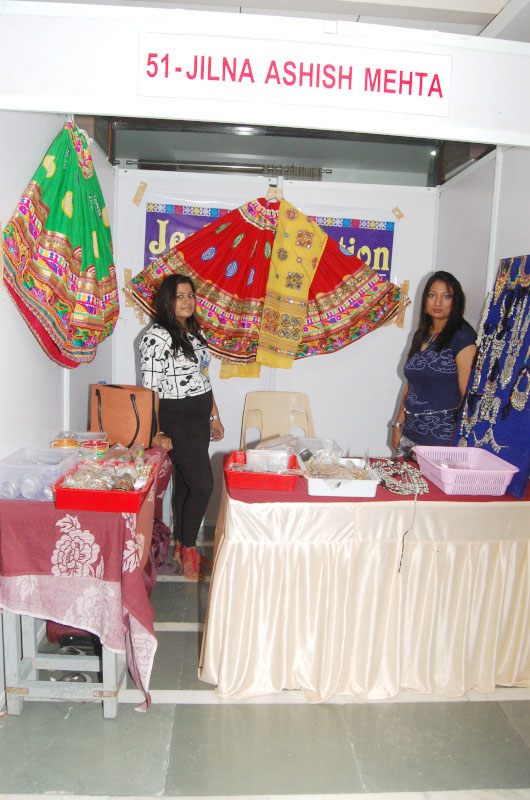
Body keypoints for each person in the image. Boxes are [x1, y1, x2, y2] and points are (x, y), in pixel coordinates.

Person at [139, 273, 224, 581]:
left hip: (199, 416)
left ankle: (181, 546)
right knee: (203, 485)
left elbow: (204, 379)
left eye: (190, 295)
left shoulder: (193, 334)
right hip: (176, 417)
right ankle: (188, 549)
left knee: (188, 484)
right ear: (167, 301)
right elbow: (150, 390)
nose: (187, 301)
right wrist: (155, 431)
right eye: (180, 296)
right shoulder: (156, 336)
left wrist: (214, 416)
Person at [392, 271, 477, 457]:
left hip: (441, 443)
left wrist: (456, 443)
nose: (437, 303)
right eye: (432, 295)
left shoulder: (463, 337)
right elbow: (412, 383)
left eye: (446, 296)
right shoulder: (421, 334)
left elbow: (468, 397)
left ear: (456, 301)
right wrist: (398, 424)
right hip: (410, 436)